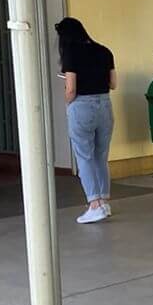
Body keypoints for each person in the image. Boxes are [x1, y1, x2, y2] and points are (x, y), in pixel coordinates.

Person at [57, 17, 117, 225]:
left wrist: (66, 104)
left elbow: (71, 89)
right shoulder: (104, 51)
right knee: (101, 156)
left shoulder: (70, 53)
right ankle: (104, 202)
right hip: (105, 105)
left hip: (82, 106)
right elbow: (113, 83)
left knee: (84, 157)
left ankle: (94, 204)